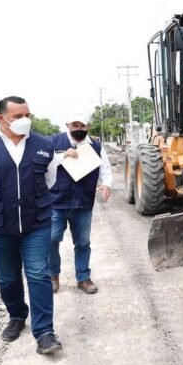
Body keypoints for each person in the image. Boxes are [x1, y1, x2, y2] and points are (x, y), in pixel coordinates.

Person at [0, 96, 63, 355]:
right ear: (1, 118)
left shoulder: (44, 146)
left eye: (26, 114)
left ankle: (45, 332)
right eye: (17, 116)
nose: (24, 120)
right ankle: (17, 315)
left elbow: (49, 180)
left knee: (39, 274)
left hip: (36, 223)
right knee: (8, 277)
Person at [48, 113, 112, 294]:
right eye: (74, 125)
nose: (78, 128)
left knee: (83, 242)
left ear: (88, 126)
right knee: (52, 240)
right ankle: (53, 275)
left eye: (82, 126)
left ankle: (83, 278)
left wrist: (106, 184)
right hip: (57, 202)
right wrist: (63, 156)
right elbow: (43, 165)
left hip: (83, 202)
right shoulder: (53, 143)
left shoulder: (96, 146)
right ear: (67, 124)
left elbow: (105, 169)